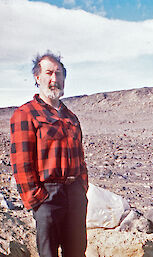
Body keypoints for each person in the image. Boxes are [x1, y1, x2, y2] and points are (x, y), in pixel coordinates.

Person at [10, 51, 88, 257]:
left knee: (77, 252)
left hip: (75, 194)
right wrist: (37, 199)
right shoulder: (25, 114)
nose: (55, 79)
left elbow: (80, 157)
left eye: (59, 73)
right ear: (38, 78)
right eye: (49, 73)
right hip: (48, 196)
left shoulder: (71, 117)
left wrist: (82, 187)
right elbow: (21, 161)